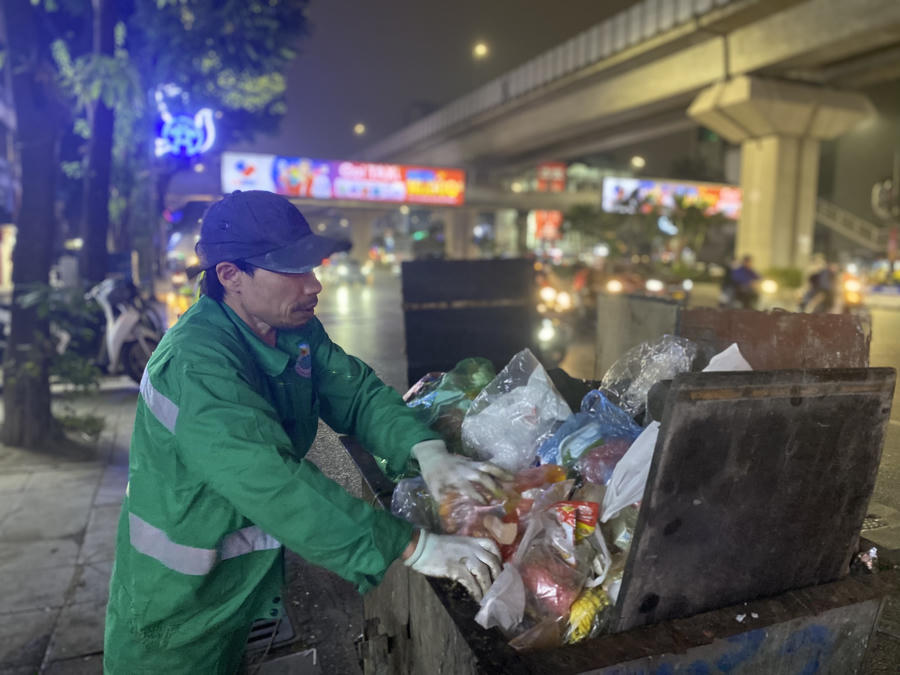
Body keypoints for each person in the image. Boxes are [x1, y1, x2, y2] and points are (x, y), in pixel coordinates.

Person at [104, 190, 507, 674]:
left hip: (235, 592)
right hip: (175, 612)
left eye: (312, 267)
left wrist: (427, 451)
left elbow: (355, 393)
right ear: (230, 275)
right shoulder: (195, 365)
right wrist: (413, 546)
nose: (314, 285)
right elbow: (273, 480)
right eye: (292, 271)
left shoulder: (289, 328)